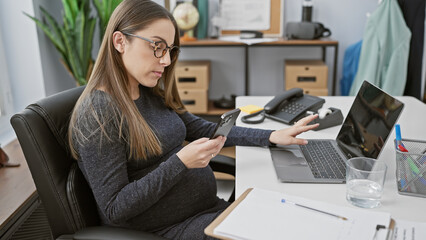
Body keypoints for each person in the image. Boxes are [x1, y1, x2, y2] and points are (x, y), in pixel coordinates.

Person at [68, 0, 319, 239]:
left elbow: (201, 128)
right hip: (171, 230)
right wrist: (181, 162)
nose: (165, 60)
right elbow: (115, 207)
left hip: (206, 210)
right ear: (120, 41)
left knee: (296, 215)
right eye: (156, 46)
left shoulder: (147, 90)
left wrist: (270, 137)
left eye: (168, 49)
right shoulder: (97, 113)